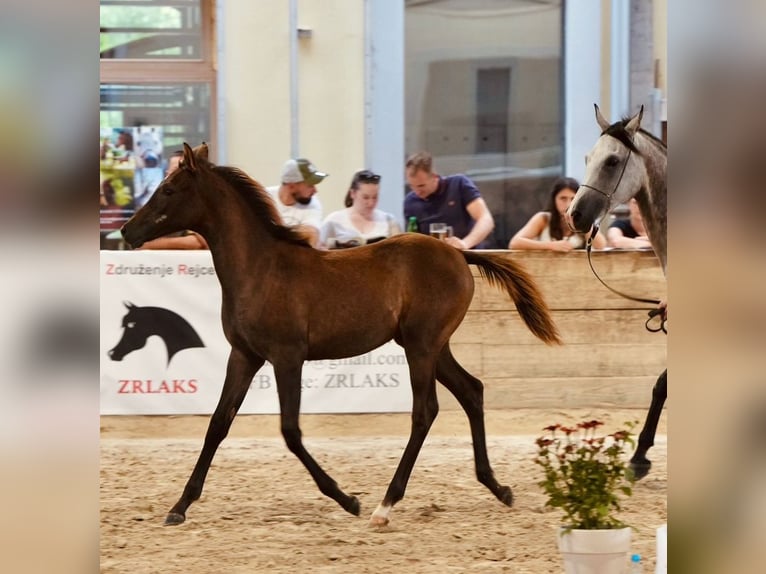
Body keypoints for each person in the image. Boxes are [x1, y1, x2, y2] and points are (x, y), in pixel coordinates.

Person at [403, 151, 495, 249]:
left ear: (434, 177)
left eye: (421, 186)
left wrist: (465, 244)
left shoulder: (458, 184)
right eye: (412, 186)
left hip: (469, 256)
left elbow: (486, 220)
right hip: (432, 259)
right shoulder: (410, 202)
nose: (417, 192)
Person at [508, 177, 606, 251]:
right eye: (563, 198)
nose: (568, 204)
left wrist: (584, 221)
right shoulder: (543, 218)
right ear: (554, 199)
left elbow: (601, 245)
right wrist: (550, 246)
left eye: (573, 199)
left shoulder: (584, 221)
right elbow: (514, 243)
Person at [137, 151, 209, 250]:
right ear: (167, 174)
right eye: (175, 170)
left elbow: (206, 243)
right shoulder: (154, 206)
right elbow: (140, 243)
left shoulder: (206, 206)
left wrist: (160, 243)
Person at [320, 169, 402, 249]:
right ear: (353, 193)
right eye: (365, 197)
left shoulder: (389, 220)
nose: (371, 203)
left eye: (375, 197)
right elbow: (319, 248)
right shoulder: (334, 220)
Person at [266, 158, 328, 248]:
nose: (315, 190)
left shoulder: (313, 204)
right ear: (291, 186)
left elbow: (311, 235)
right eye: (310, 185)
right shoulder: (265, 197)